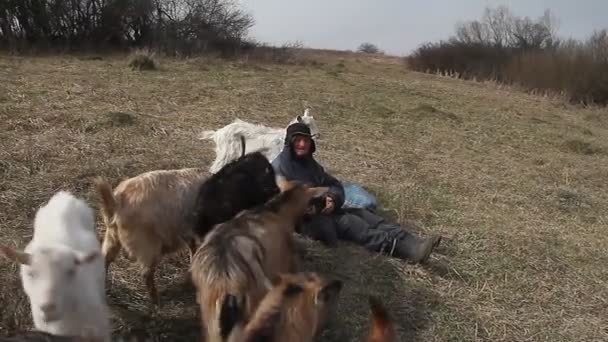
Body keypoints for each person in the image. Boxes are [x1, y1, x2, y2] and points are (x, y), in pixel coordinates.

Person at [272, 122, 442, 264]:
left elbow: (334, 184)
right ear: (289, 142)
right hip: (311, 222)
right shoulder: (279, 169)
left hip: (328, 209)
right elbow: (280, 206)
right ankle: (409, 252)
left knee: (369, 217)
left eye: (306, 141)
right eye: (298, 140)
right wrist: (313, 208)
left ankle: (416, 242)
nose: (302, 145)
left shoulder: (310, 164)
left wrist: (331, 198)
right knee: (357, 225)